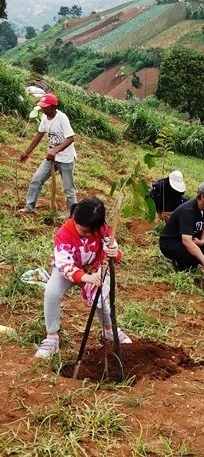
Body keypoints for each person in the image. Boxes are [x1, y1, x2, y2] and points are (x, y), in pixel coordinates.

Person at [35, 197, 132, 359]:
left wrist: (115, 253)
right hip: (69, 270)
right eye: (84, 231)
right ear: (75, 219)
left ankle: (109, 330)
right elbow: (64, 265)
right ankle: (52, 338)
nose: (87, 235)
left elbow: (113, 252)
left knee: (101, 298)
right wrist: (86, 278)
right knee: (51, 293)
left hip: (95, 270)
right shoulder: (64, 234)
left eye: (90, 232)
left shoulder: (103, 230)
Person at [19, 93, 77, 213]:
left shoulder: (62, 118)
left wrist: (55, 150)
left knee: (68, 190)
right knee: (37, 179)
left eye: (45, 106)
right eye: (42, 106)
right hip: (51, 158)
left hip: (66, 159)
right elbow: (39, 135)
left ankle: (74, 216)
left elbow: (70, 138)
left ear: (53, 107)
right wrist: (26, 153)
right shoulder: (45, 118)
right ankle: (29, 207)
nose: (43, 108)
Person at [159, 181, 204, 276]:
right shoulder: (188, 211)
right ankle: (183, 262)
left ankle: (202, 260)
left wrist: (202, 241)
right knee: (190, 260)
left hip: (193, 237)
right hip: (173, 241)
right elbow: (186, 241)